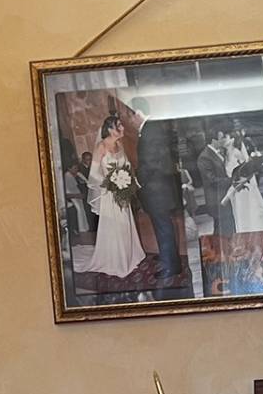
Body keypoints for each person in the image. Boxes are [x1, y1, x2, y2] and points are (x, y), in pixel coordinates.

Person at [128, 97, 187, 298]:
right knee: (163, 227)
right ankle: (169, 259)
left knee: (163, 227)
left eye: (131, 115)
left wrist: (138, 179)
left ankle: (171, 266)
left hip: (157, 190)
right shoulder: (151, 128)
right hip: (159, 189)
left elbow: (151, 163)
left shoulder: (150, 130)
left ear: (138, 113)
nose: (131, 120)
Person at [85, 113, 146, 277]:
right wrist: (111, 183)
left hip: (123, 193)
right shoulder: (101, 147)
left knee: (125, 225)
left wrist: (127, 182)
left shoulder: (119, 144)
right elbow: (93, 174)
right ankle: (117, 261)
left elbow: (127, 167)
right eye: (119, 125)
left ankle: (130, 255)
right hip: (110, 194)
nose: (123, 128)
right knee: (116, 227)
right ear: (111, 129)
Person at [195, 121, 235, 243]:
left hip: (224, 197)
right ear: (214, 140)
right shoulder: (204, 157)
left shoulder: (218, 152)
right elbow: (212, 180)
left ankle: (222, 249)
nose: (224, 140)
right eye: (222, 138)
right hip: (216, 200)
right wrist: (231, 180)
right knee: (223, 230)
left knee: (224, 228)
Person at [226, 128, 263, 234]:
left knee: (247, 204)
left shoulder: (238, 149)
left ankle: (250, 223)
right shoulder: (233, 151)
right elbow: (234, 167)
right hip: (240, 180)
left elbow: (242, 162)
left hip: (243, 178)